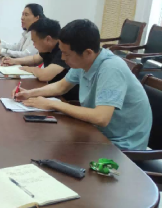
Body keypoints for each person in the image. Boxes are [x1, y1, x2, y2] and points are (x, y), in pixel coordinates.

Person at [14, 19, 152, 150]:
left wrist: (53, 104)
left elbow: (101, 117)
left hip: (120, 145)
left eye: (66, 54)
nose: (62, 58)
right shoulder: (85, 62)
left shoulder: (111, 68)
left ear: (87, 53)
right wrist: (29, 93)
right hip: (96, 132)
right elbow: (61, 86)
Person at [1, 18, 79, 101]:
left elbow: (44, 75)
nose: (33, 45)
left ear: (48, 39)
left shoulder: (62, 51)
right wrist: (14, 61)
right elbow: (35, 59)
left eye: (34, 41)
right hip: (56, 94)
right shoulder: (48, 48)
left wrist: (28, 69)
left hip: (69, 100)